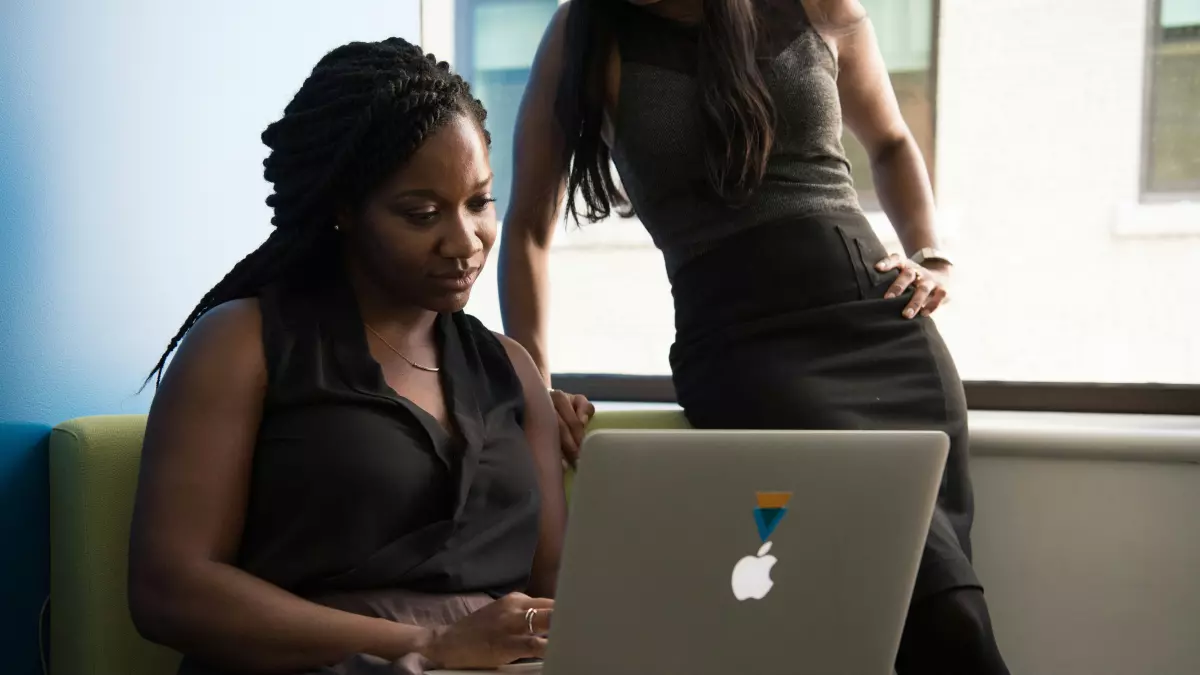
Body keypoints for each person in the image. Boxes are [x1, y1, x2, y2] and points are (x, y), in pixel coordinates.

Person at [498, 0, 1011, 673]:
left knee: (923, 613)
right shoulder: (586, 30)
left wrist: (933, 253)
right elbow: (529, 227)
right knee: (924, 615)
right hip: (745, 357)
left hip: (884, 332)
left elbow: (889, 141)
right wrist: (538, 389)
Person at [128, 38, 566, 675]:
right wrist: (430, 646)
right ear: (343, 211)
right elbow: (170, 591)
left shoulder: (511, 370)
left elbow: (561, 592)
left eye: (479, 202)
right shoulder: (242, 344)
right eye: (422, 214)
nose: (465, 241)